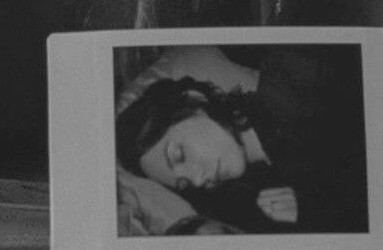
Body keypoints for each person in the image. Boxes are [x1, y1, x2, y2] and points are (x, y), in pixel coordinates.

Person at [116, 45, 368, 234]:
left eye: (179, 154)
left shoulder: (296, 80)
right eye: (184, 184)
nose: (197, 178)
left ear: (195, 102)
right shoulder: (261, 194)